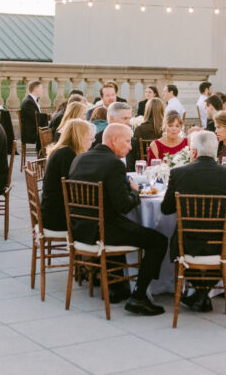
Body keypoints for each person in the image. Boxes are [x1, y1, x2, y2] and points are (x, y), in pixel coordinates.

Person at [67, 123, 168, 315]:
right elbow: (123, 205)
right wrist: (135, 192)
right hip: (103, 231)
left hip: (80, 229)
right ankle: (139, 296)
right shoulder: (114, 164)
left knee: (126, 227)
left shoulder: (79, 159)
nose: (131, 147)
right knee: (158, 240)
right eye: (128, 141)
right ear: (113, 141)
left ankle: (118, 287)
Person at [161, 130, 226, 308]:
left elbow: (166, 209)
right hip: (223, 244)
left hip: (187, 242)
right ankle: (202, 293)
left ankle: (200, 292)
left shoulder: (178, 173)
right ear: (216, 151)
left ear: (193, 152)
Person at [40, 118, 93, 233]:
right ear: (79, 136)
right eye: (88, 135)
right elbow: (72, 189)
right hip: (57, 217)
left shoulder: (64, 151)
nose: (91, 139)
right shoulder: (67, 154)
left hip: (52, 210)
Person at [131, 98, 165, 164]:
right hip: (164, 163)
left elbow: (135, 152)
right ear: (162, 110)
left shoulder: (139, 129)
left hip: (144, 164)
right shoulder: (166, 129)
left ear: (147, 110)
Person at [19, 80, 49, 151]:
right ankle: (44, 156)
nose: (42, 91)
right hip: (31, 134)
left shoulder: (32, 101)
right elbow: (36, 118)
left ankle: (44, 157)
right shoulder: (28, 102)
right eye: (41, 88)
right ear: (36, 89)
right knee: (52, 134)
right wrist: (49, 118)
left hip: (34, 130)